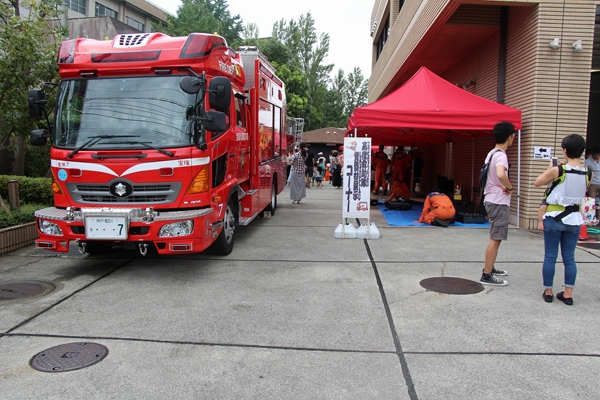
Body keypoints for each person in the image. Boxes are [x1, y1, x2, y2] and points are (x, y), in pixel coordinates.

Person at [534, 134, 591, 305]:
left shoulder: (559, 170)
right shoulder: (589, 172)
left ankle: (548, 291)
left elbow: (538, 182)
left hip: (554, 217)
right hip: (574, 219)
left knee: (550, 256)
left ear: (565, 150)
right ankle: (568, 294)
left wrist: (551, 169)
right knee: (569, 258)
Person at [480, 121, 515, 286]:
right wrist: (509, 187)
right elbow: (501, 174)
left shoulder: (492, 153)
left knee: (496, 236)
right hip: (498, 201)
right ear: (510, 137)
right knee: (496, 238)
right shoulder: (501, 155)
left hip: (491, 198)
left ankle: (490, 266)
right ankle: (487, 274)